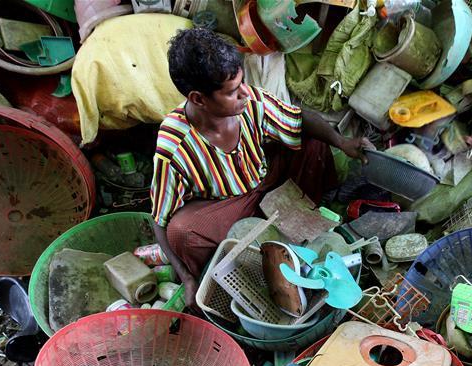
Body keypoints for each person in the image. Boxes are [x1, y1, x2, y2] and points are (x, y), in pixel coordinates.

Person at [150, 28, 371, 311]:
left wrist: (342, 142)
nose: (244, 93)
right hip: (228, 205)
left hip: (268, 179)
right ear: (198, 99)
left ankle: (306, 218)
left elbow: (298, 119)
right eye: (232, 92)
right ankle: (222, 268)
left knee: (313, 143)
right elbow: (159, 221)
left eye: (242, 83)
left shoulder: (251, 101)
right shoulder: (174, 146)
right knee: (181, 232)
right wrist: (187, 278)